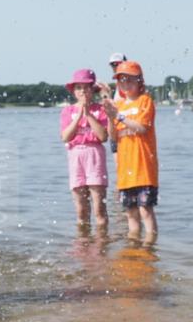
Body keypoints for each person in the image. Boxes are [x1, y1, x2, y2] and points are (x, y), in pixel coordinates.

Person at [103, 61, 158, 240]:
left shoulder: (145, 101)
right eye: (121, 80)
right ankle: (134, 248)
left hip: (143, 169)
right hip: (125, 172)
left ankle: (150, 248)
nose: (125, 84)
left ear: (139, 81)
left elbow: (141, 128)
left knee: (145, 210)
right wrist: (111, 118)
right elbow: (113, 137)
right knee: (130, 214)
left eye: (129, 80)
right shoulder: (120, 106)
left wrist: (119, 116)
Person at [60, 69, 110, 229]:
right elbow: (65, 137)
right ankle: (83, 245)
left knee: (99, 209)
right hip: (76, 156)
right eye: (79, 88)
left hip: (94, 155)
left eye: (86, 87)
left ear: (93, 89)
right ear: (74, 91)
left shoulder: (100, 110)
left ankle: (102, 244)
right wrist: (78, 116)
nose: (83, 91)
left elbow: (103, 137)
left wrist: (88, 114)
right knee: (81, 210)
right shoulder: (68, 111)